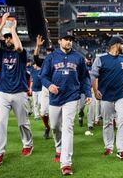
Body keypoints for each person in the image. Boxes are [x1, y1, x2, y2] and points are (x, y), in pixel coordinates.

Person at [40, 31, 92, 176]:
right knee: (55, 127)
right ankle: (58, 148)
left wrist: (87, 93)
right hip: (55, 98)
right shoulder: (51, 57)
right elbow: (43, 76)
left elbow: (85, 78)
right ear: (60, 41)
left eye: (71, 40)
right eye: (66, 39)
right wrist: (49, 85)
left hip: (72, 97)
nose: (69, 42)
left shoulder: (78, 58)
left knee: (68, 128)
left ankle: (66, 163)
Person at [0, 12, 33, 167]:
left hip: (20, 93)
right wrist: (2, 24)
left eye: (10, 37)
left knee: (23, 123)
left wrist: (13, 29)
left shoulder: (21, 54)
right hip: (3, 93)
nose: (8, 39)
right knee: (1, 122)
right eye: (6, 37)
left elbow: (19, 46)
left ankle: (27, 144)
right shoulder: (1, 53)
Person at [91, 36, 123, 160]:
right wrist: (95, 90)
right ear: (115, 44)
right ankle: (108, 146)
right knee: (107, 122)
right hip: (106, 96)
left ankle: (121, 149)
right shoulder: (100, 59)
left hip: (121, 95)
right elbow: (93, 76)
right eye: (122, 44)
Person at [34, 34, 54, 138]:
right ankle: (47, 127)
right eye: (48, 51)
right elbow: (36, 58)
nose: (49, 52)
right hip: (46, 89)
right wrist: (38, 46)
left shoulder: (58, 60)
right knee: (43, 112)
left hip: (56, 89)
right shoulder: (45, 62)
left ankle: (59, 129)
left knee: (57, 113)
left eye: (51, 50)